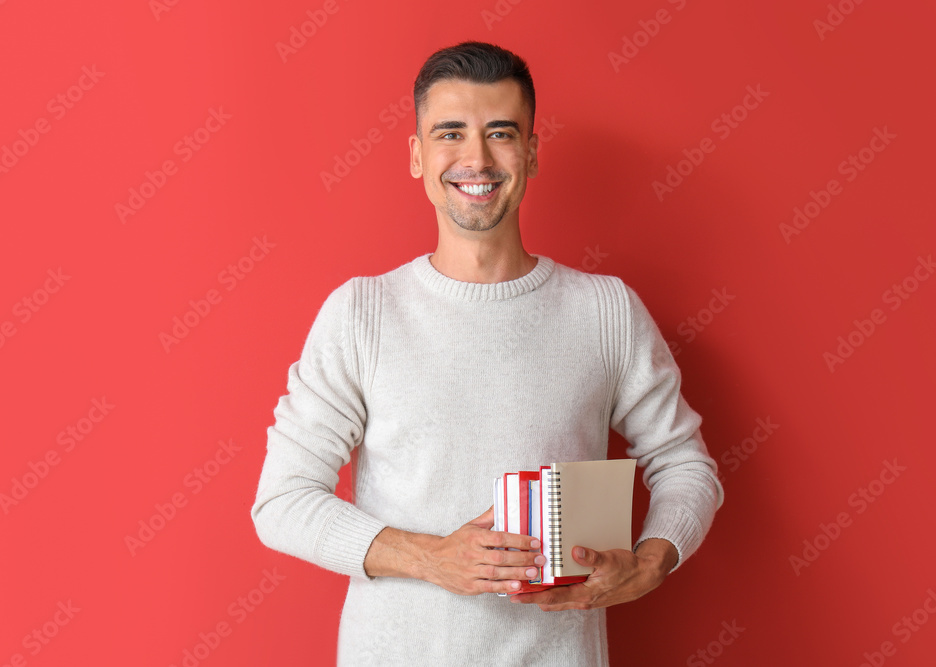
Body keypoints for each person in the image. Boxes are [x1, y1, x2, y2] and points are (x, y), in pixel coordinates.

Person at [250, 40, 724, 666]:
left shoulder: (604, 310)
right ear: (417, 156)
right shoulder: (362, 313)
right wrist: (431, 558)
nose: (476, 158)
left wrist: (651, 561)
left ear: (531, 153)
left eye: (501, 133)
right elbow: (282, 502)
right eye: (450, 133)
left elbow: (685, 463)